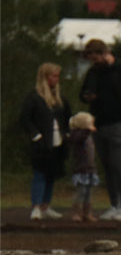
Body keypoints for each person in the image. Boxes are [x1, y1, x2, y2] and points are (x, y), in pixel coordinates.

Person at [79, 38, 121, 222]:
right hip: (99, 123)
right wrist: (88, 97)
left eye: (95, 58)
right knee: (107, 166)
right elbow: (82, 93)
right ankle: (114, 204)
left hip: (120, 123)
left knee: (118, 164)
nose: (94, 62)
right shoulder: (93, 72)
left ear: (104, 53)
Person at [19, 62, 72, 221]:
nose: (57, 79)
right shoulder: (34, 97)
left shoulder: (60, 98)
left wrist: (67, 134)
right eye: (54, 76)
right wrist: (36, 136)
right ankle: (36, 206)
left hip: (58, 142)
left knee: (51, 175)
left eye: (57, 76)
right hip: (42, 143)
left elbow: (68, 116)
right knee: (40, 174)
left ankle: (45, 206)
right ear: (45, 77)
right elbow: (25, 118)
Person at [68, 111, 100, 222]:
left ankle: (87, 213)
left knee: (89, 194)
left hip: (90, 169)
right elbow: (77, 139)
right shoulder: (77, 135)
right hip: (81, 170)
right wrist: (87, 130)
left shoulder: (89, 137)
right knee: (80, 193)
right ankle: (77, 213)